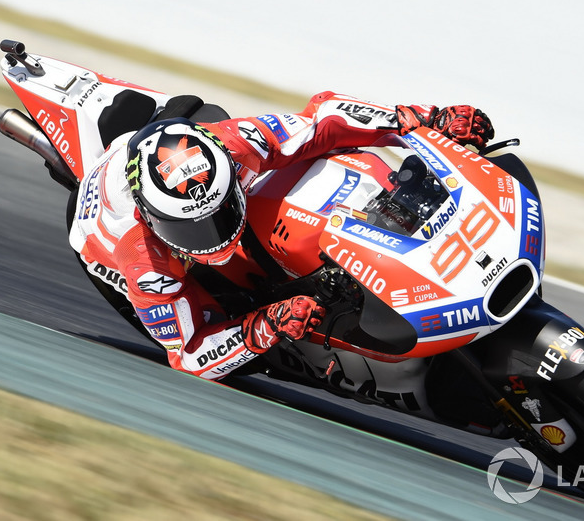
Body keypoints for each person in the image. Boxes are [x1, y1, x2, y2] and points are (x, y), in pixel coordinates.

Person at [68, 91, 494, 380]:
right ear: (150, 213)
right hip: (101, 240)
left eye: (217, 214)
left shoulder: (234, 143)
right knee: (215, 323)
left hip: (171, 150)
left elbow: (325, 119)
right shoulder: (141, 257)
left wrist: (424, 120)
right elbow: (190, 354)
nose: (209, 235)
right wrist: (265, 325)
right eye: (192, 228)